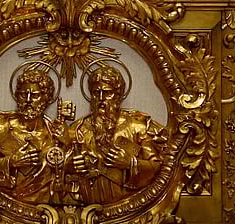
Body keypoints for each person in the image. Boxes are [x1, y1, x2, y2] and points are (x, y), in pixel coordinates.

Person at [68, 65, 167, 204]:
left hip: (128, 205)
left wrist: (129, 163)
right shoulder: (78, 128)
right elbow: (60, 166)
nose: (101, 98)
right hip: (86, 203)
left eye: (107, 93)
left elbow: (157, 167)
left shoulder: (137, 127)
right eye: (96, 93)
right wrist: (71, 165)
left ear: (119, 95)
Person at [0, 67, 68, 204]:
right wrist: (11, 162)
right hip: (10, 200)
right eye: (23, 95)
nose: (28, 100)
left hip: (46, 200)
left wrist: (66, 142)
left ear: (46, 99)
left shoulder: (52, 132)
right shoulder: (3, 127)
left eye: (35, 95)